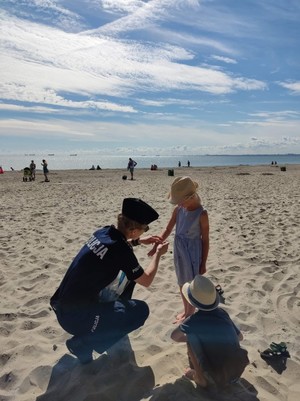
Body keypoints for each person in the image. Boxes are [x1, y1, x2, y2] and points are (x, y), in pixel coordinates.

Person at [50, 198, 168, 364]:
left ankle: (111, 317)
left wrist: (139, 241)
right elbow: (147, 280)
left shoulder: (103, 232)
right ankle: (83, 343)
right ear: (133, 230)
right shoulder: (121, 252)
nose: (144, 231)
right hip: (75, 319)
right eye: (144, 229)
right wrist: (158, 255)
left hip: (61, 305)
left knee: (129, 277)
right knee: (141, 311)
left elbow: (116, 246)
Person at [171, 275, 249, 388]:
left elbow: (174, 336)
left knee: (191, 336)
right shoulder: (222, 313)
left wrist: (197, 337)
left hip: (216, 376)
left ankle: (199, 376)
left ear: (192, 302)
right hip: (236, 370)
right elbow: (240, 337)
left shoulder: (194, 320)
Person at [149, 176, 209, 323]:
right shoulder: (179, 210)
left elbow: (206, 240)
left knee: (192, 284)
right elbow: (168, 228)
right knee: (181, 281)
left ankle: (190, 313)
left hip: (193, 253)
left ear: (191, 197)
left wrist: (204, 263)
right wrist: (158, 242)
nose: (179, 204)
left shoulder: (202, 214)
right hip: (179, 250)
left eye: (181, 201)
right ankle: (186, 309)